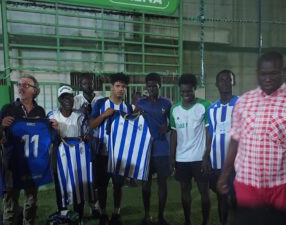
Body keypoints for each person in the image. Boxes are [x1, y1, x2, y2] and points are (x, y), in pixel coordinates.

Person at [218, 52, 286, 220]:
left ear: (283, 71)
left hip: (281, 184)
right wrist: (225, 173)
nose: (268, 79)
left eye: (273, 73)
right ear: (257, 73)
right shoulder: (244, 101)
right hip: (247, 182)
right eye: (263, 74)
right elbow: (235, 140)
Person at [0, 75, 46, 225]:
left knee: (31, 201)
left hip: (31, 164)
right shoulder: (8, 108)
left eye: (25, 85)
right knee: (10, 203)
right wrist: (2, 125)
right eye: (19, 84)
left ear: (35, 90)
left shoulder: (40, 111)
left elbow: (42, 136)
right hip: (12, 163)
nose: (20, 88)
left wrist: (52, 127)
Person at [89, 73, 132, 225]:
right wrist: (104, 116)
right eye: (118, 86)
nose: (121, 89)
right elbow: (91, 124)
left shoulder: (127, 106)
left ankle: (116, 212)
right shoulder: (101, 103)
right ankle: (102, 213)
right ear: (111, 87)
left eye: (124, 87)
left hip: (120, 153)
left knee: (118, 184)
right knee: (102, 185)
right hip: (103, 152)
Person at [170, 73, 211, 225]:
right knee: (184, 191)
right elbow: (174, 134)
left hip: (200, 158)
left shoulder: (205, 106)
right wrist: (172, 157)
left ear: (195, 89)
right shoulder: (174, 109)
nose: (185, 94)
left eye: (189, 91)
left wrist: (206, 156)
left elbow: (209, 133)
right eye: (182, 91)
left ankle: (205, 222)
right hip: (181, 159)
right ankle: (187, 221)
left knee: (204, 192)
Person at [47, 85, 91, 223]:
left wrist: (87, 136)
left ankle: (79, 217)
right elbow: (50, 138)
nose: (67, 100)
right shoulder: (51, 116)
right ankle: (64, 218)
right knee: (61, 187)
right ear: (60, 99)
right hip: (59, 154)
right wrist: (53, 131)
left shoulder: (80, 116)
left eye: (70, 97)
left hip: (78, 156)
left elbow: (86, 134)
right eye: (64, 97)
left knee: (79, 186)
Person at [135, 73, 172, 225]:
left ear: (159, 86)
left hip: (162, 149)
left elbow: (173, 123)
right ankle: (147, 215)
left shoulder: (167, 103)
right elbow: (133, 121)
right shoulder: (140, 104)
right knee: (146, 183)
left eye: (154, 86)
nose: (151, 88)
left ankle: (161, 216)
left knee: (162, 183)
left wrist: (168, 127)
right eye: (148, 86)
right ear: (146, 87)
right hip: (145, 150)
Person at [204, 70, 238, 225]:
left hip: (238, 163)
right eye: (221, 80)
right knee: (221, 197)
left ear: (234, 82)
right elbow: (211, 134)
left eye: (228, 79)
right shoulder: (212, 108)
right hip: (217, 162)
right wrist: (206, 156)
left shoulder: (241, 104)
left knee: (238, 198)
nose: (225, 82)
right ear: (216, 84)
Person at [73, 74, 103, 218]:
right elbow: (70, 115)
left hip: (96, 140)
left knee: (94, 175)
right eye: (85, 84)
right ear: (81, 85)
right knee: (82, 175)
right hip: (81, 141)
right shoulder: (76, 100)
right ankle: (80, 207)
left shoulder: (100, 98)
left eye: (90, 83)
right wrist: (80, 111)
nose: (88, 86)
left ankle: (94, 207)